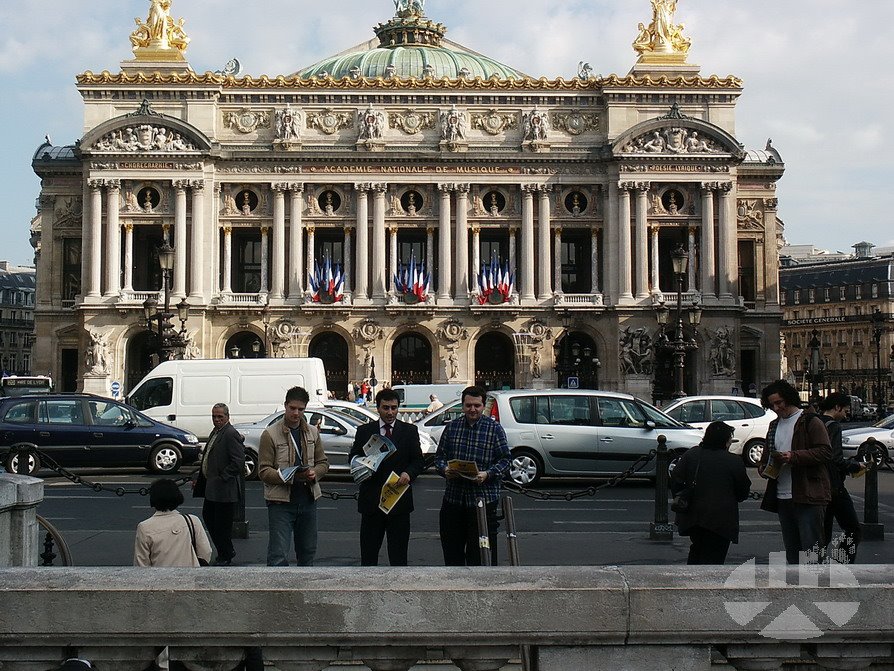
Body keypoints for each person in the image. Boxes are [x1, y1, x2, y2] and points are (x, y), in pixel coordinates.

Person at [435, 386, 511, 566]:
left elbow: (506, 460)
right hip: (454, 500)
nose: (472, 409)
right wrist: (445, 470)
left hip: (482, 502)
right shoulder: (452, 428)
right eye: (468, 405)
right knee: (452, 553)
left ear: (483, 406)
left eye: (477, 405)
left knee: (481, 555)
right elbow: (439, 458)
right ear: (462, 406)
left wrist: (488, 474)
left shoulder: (494, 429)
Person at [758, 380, 832, 564]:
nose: (776, 407)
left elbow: (825, 451)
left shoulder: (810, 421)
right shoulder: (774, 425)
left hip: (808, 494)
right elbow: (767, 455)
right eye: (772, 404)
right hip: (783, 495)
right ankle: (795, 588)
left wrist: (793, 456)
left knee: (811, 549)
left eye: (779, 402)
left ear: (789, 399)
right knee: (792, 549)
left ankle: (814, 588)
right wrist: (764, 467)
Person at [349, 389, 425, 566]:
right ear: (378, 408)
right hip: (371, 504)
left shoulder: (409, 431)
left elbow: (418, 461)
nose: (390, 412)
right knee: (368, 557)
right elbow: (353, 457)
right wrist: (362, 464)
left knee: (398, 557)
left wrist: (409, 473)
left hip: (398, 502)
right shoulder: (364, 431)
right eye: (386, 408)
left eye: (394, 408)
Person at [258, 386, 329, 566]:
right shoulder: (270, 434)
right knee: (278, 555)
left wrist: (315, 473)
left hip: (308, 500)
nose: (296, 413)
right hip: (281, 503)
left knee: (307, 553)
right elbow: (263, 471)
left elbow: (323, 463)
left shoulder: (312, 432)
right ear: (285, 406)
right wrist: (287, 476)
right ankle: (277, 593)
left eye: (300, 409)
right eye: (292, 408)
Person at [670, 421, 751, 564]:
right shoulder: (733, 461)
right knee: (715, 557)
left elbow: (676, 479)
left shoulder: (692, 454)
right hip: (721, 519)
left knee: (696, 550)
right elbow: (743, 491)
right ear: (726, 441)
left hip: (693, 517)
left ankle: (692, 583)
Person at [193, 403, 245, 566]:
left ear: (227, 417)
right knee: (209, 518)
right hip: (213, 488)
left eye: (220, 417)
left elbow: (238, 462)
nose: (216, 420)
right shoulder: (216, 432)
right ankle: (225, 551)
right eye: (214, 416)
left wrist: (223, 477)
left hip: (224, 489)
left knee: (221, 525)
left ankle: (225, 553)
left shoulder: (230, 433)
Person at [819, 392, 863, 563]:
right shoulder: (834, 426)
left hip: (818, 485)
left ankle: (817, 565)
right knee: (853, 529)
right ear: (837, 407)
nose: (846, 414)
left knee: (824, 531)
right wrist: (855, 466)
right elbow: (835, 459)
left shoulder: (813, 422)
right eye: (845, 410)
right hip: (834, 486)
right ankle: (842, 563)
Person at [134, 478, 211, 567]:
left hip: (159, 578)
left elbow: (141, 563)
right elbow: (205, 552)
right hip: (190, 577)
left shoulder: (144, 527)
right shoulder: (192, 520)